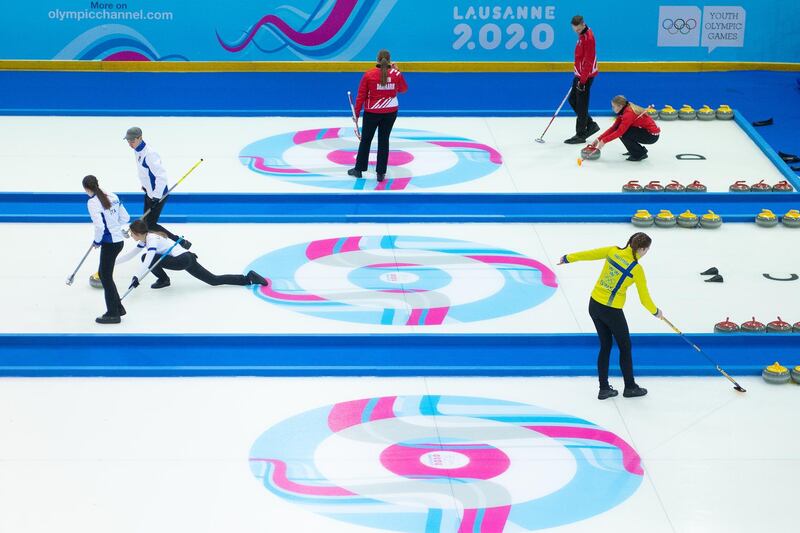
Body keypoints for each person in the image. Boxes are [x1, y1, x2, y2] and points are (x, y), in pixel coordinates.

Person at [558, 232, 664, 400]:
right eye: (646, 250)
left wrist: (568, 258)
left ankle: (604, 388)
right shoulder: (636, 269)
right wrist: (656, 312)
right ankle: (630, 387)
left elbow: (589, 254)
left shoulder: (613, 251)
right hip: (611, 311)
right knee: (625, 347)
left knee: (606, 345)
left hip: (594, 304)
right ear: (642, 249)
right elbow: (644, 299)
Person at [118, 219, 269, 291]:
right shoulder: (146, 239)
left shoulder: (151, 240)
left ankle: (164, 279)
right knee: (214, 280)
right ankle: (249, 278)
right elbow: (131, 255)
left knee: (146, 258)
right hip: (187, 258)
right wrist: (111, 263)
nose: (131, 236)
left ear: (138, 233)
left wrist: (137, 277)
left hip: (182, 260)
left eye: (132, 234)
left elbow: (149, 259)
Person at [124, 126, 191, 248]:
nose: (130, 143)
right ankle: (147, 241)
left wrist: (156, 197)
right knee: (145, 223)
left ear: (140, 138)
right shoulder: (137, 150)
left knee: (151, 224)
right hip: (149, 192)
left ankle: (179, 242)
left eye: (132, 141)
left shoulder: (150, 154)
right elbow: (145, 172)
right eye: (128, 141)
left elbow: (161, 177)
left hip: (158, 195)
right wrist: (145, 186)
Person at [348, 49, 408, 183]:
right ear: (390, 60)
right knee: (383, 140)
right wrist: (397, 71)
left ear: (377, 60)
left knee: (366, 140)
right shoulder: (396, 74)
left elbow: (361, 96)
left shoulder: (369, 75)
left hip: (372, 112)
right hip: (391, 112)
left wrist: (356, 114)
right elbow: (403, 89)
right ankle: (381, 173)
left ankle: (358, 170)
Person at [83, 175, 130, 324]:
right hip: (118, 242)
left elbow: (99, 226)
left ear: (86, 189)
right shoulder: (113, 195)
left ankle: (113, 314)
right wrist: (114, 227)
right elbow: (125, 218)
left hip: (109, 244)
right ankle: (118, 308)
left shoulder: (92, 203)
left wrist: (97, 241)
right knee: (104, 276)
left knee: (106, 278)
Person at [589, 95, 660, 161]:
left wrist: (604, 141)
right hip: (645, 131)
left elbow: (620, 132)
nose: (612, 108)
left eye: (613, 106)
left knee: (623, 133)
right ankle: (635, 150)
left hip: (651, 136)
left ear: (620, 106)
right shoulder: (623, 111)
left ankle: (639, 154)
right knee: (622, 131)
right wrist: (598, 139)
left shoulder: (628, 114)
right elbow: (614, 128)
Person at [564, 15, 600, 145]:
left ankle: (580, 134)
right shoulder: (582, 35)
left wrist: (583, 80)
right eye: (575, 30)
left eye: (579, 29)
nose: (577, 32)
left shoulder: (588, 38)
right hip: (579, 74)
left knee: (582, 104)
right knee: (573, 100)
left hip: (586, 76)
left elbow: (589, 61)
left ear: (583, 24)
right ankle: (590, 125)